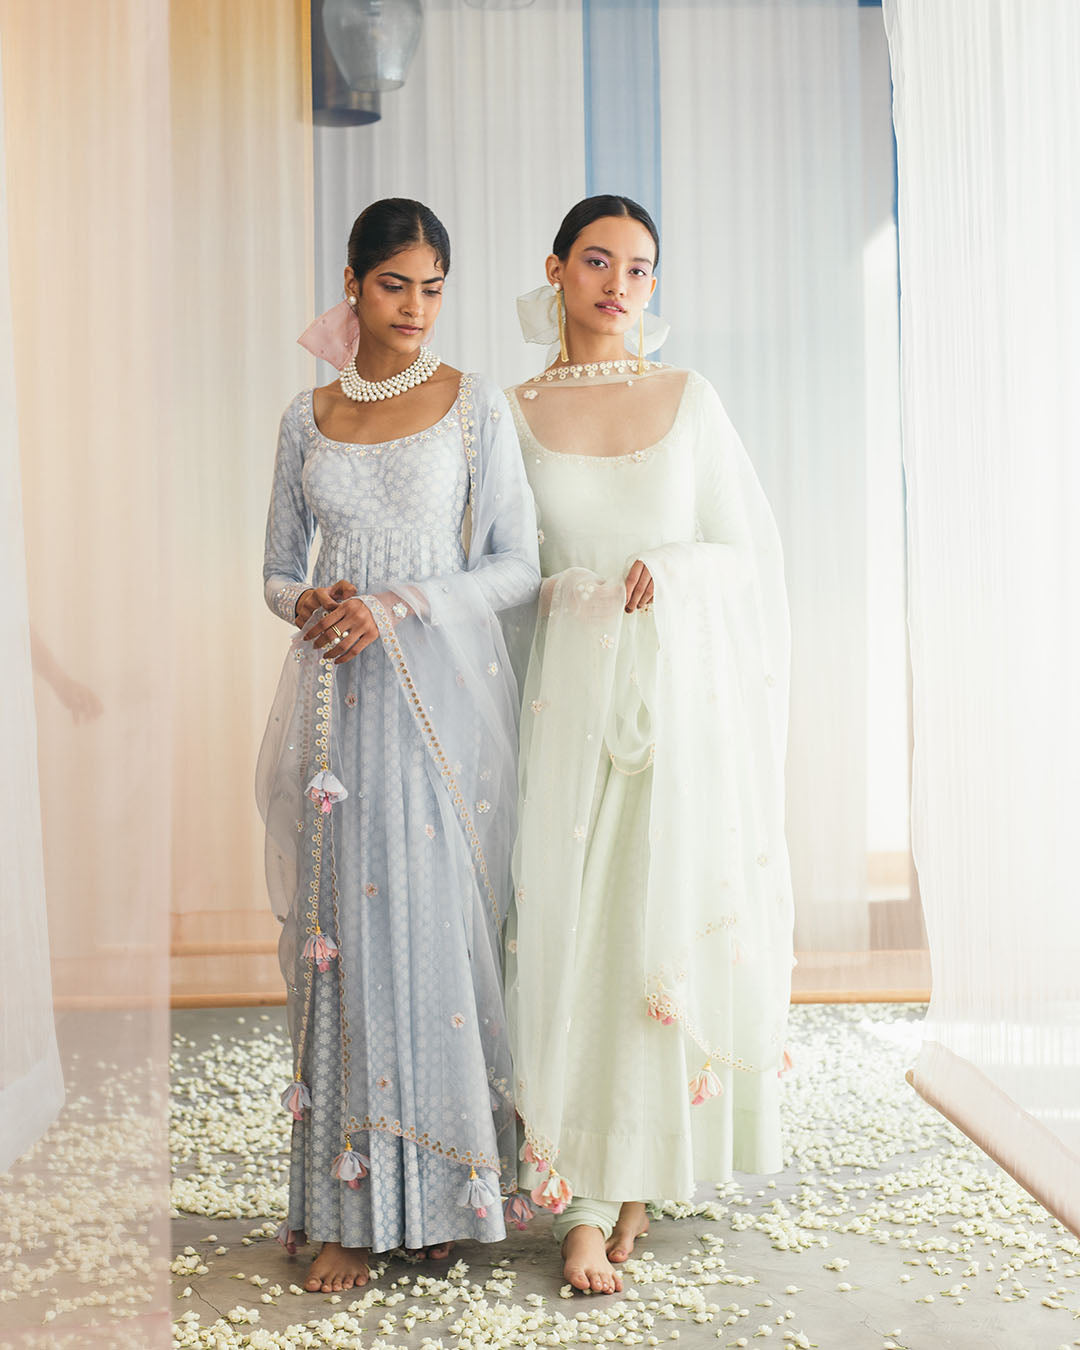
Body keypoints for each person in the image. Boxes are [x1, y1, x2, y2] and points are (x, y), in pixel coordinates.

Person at [505, 195, 794, 1295]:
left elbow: (745, 552)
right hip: (568, 713)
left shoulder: (689, 398)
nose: (618, 285)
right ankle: (594, 1183)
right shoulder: (514, 412)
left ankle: (617, 1186)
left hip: (679, 706)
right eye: (597, 261)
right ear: (557, 271)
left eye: (639, 268)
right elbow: (507, 571)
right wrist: (576, 597)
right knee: (579, 940)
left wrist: (670, 573)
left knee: (651, 938)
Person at [257, 198, 539, 1293]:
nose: (416, 307)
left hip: (434, 703)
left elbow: (515, 563)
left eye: (432, 288)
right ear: (352, 281)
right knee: (342, 942)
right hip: (336, 708)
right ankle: (349, 1210)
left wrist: (399, 603)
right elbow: (275, 569)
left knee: (424, 938)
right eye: (393, 285)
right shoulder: (307, 415)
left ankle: (439, 1198)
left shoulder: (473, 406)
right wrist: (311, 601)